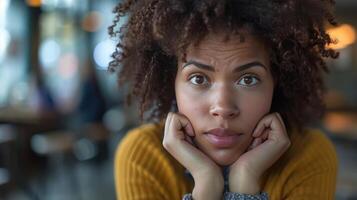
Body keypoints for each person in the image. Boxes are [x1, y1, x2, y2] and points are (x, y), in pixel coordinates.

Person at [109, 0, 339, 199]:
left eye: (248, 80)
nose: (223, 108)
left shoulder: (308, 156)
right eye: (198, 78)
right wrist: (206, 185)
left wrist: (245, 181)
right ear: (172, 81)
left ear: (275, 81)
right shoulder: (144, 157)